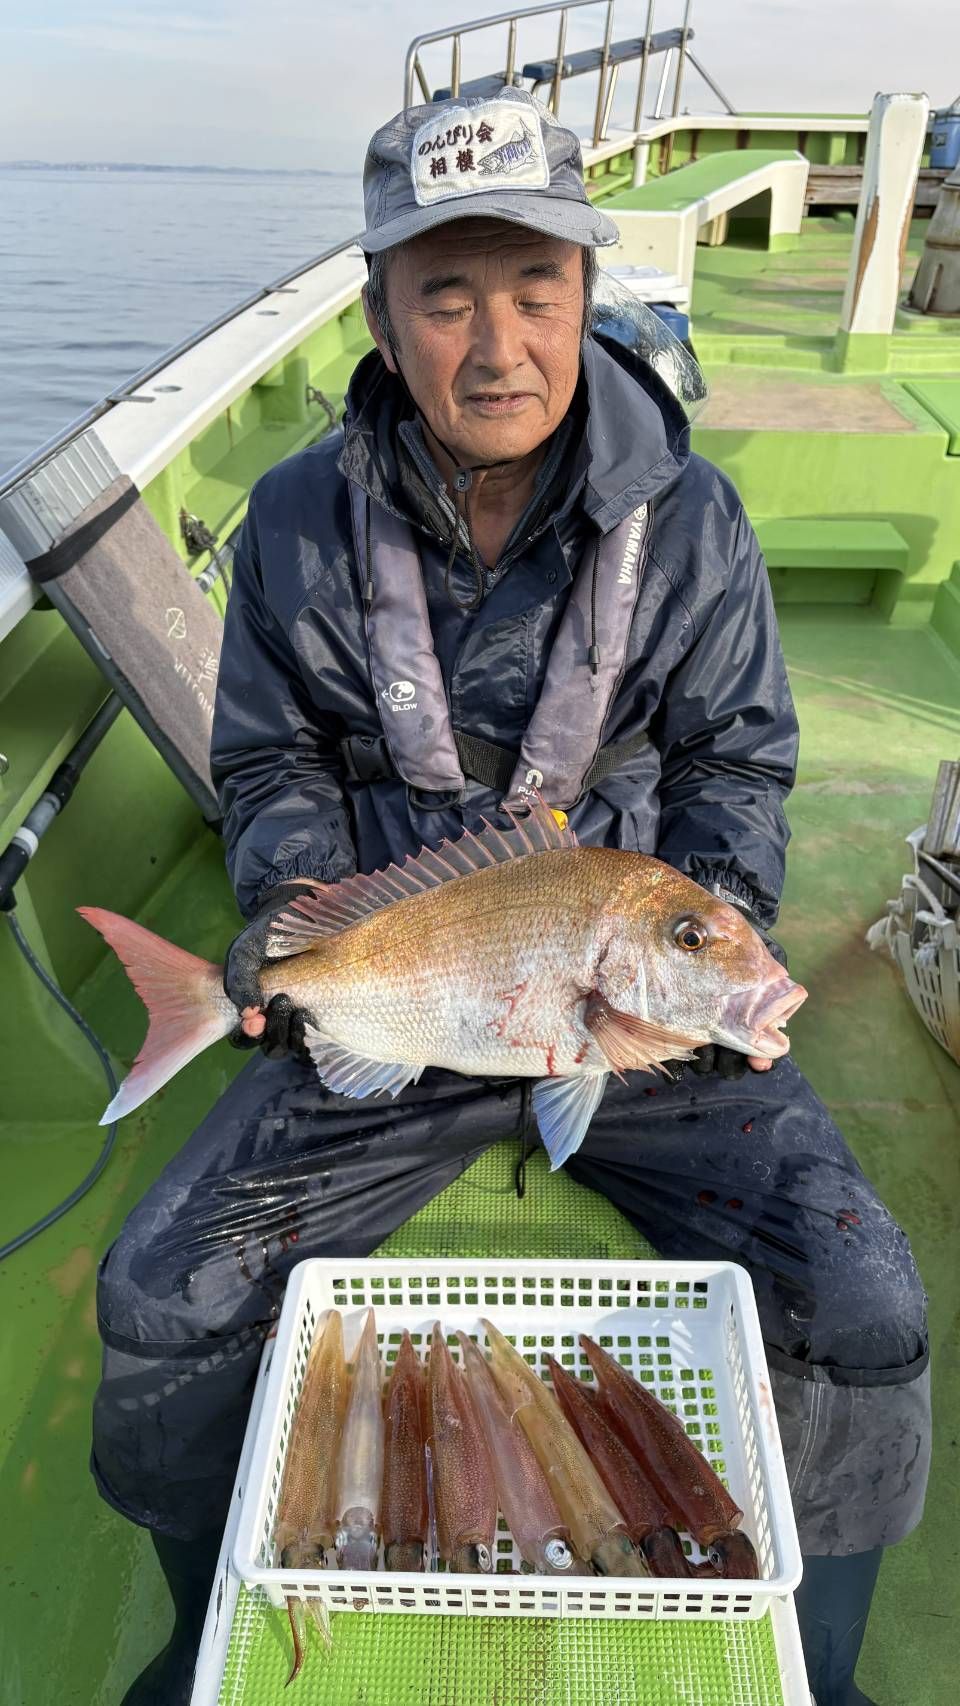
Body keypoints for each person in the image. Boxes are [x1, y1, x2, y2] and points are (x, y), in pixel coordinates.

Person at [93, 88, 929, 1706]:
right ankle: (201, 1645)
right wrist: (292, 909)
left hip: (633, 1013)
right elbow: (270, 763)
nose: (499, 344)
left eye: (537, 286)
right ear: (379, 313)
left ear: (585, 289)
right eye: (447, 295)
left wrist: (700, 948)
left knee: (864, 1300)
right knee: (160, 1296)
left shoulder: (692, 520)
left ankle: (817, 1674)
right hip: (404, 997)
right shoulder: (294, 524)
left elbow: (736, 763)